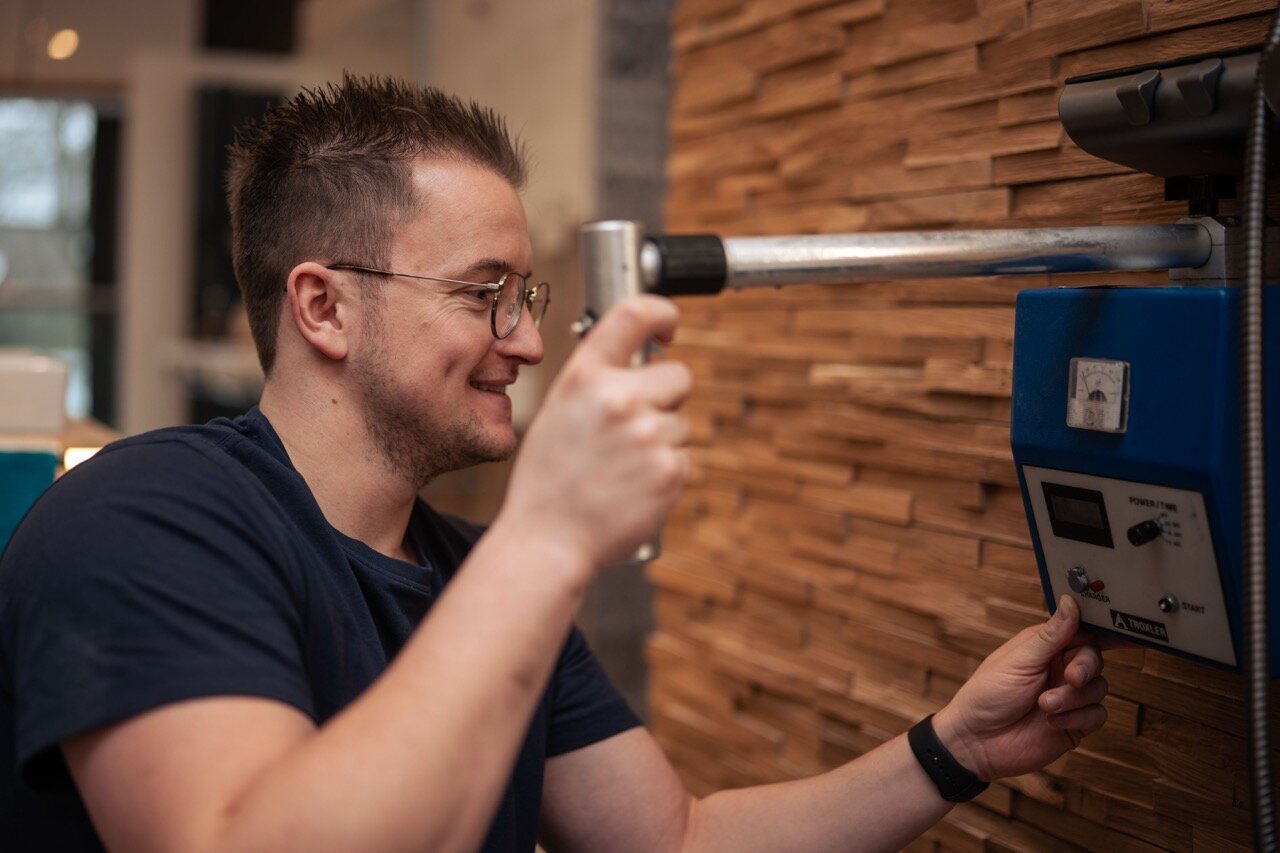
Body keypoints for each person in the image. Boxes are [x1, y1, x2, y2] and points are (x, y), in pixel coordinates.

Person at [0, 75, 1108, 852]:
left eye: (525, 298)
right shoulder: (140, 518)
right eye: (486, 293)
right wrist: (548, 533)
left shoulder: (467, 575)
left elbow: (673, 840)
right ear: (323, 306)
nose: (527, 340)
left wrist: (951, 746)